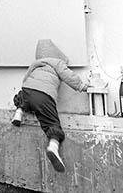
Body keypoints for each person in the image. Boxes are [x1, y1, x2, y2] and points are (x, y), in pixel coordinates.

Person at [11, 39, 89, 172]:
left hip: (28, 90)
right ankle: (53, 145)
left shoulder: (36, 64)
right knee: (52, 123)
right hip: (44, 96)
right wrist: (81, 86)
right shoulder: (57, 63)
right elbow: (68, 76)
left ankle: (19, 112)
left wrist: (25, 91)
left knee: (22, 96)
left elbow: (25, 79)